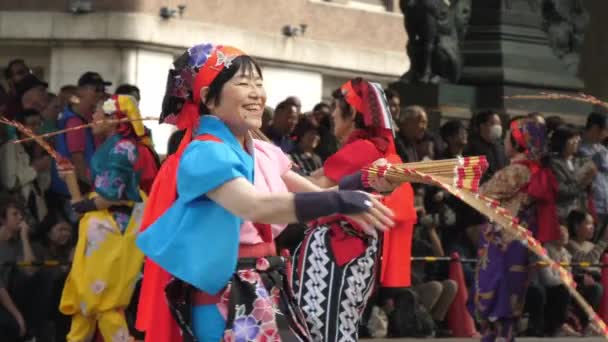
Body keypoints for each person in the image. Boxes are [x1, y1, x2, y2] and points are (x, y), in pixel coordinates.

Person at [135, 44, 394, 342]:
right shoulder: (203, 152)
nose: (257, 93)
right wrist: (340, 199)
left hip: (262, 283)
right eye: (244, 84)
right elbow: (255, 205)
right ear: (208, 98)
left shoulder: (260, 151)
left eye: (259, 83)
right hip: (224, 294)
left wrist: (367, 182)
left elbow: (314, 192)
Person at [294, 77, 416, 341]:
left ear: (352, 114)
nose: (333, 114)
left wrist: (274, 165)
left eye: (337, 108)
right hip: (349, 247)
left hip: (337, 249)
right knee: (337, 324)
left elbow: (311, 186)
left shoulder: (363, 148)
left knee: (322, 325)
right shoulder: (368, 148)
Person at [58, 95, 149, 342]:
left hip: (113, 229)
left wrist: (85, 204)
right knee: (84, 299)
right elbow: (87, 202)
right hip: (101, 227)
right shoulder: (112, 146)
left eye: (99, 113)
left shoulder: (124, 148)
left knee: (104, 302)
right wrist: (69, 178)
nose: (93, 118)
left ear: (114, 119)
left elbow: (109, 197)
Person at [473, 118, 556, 341]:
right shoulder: (538, 171)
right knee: (513, 291)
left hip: (502, 239)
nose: (504, 140)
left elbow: (482, 194)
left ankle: (491, 336)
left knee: (492, 288)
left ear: (519, 143)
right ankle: (506, 335)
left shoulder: (516, 171)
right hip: (521, 239)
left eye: (509, 135)